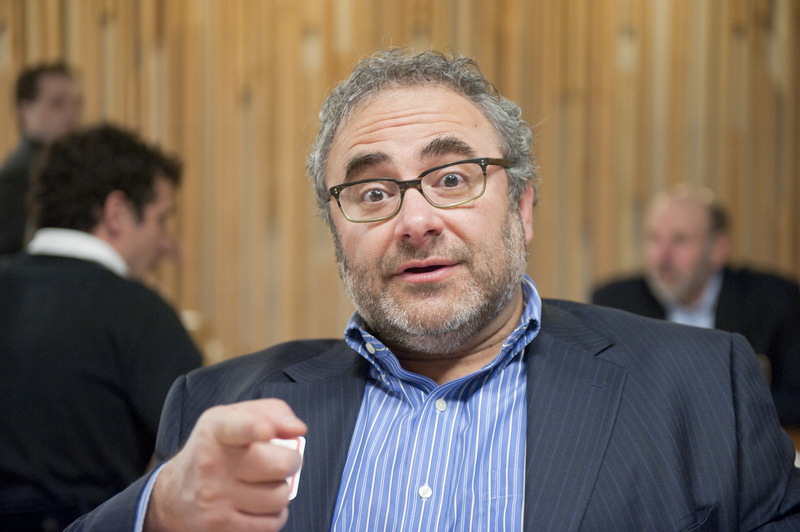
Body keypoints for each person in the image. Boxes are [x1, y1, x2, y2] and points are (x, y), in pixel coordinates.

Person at [68, 49, 800, 532]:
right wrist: (158, 513)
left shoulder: (703, 389)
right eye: (373, 191)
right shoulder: (219, 408)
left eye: (452, 178)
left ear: (521, 208)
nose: (415, 221)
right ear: (337, 231)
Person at [0, 125, 203, 531]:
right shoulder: (141, 313)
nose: (167, 244)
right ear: (117, 213)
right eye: (162, 220)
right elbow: (203, 459)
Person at [592, 185, 800, 427]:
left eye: (679, 240)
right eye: (654, 238)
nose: (662, 257)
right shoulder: (614, 303)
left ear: (718, 248)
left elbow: (794, 399)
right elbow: (599, 397)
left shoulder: (774, 300)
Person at [0, 62, 83, 255]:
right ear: (25, 111)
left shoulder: (68, 168)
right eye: (57, 104)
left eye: (77, 104)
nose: (71, 115)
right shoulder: (17, 177)